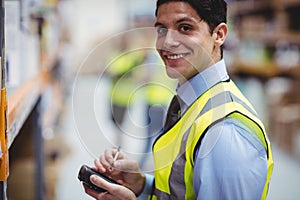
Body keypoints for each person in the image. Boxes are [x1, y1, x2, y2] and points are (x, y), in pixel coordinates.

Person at [83, 0, 274, 199]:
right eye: (162, 30)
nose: (167, 43)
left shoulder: (225, 132)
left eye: (185, 28)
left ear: (218, 35)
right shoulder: (194, 104)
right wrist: (142, 186)